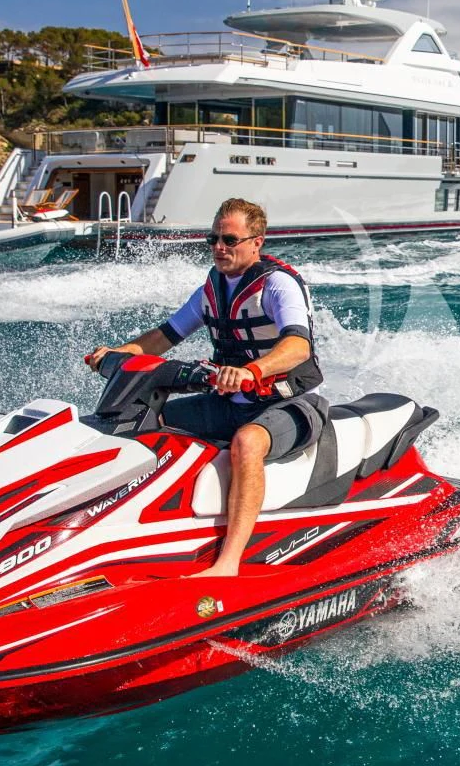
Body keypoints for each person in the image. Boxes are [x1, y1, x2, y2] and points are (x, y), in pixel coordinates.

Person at [85, 198, 322, 577]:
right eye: (212, 239)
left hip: (287, 404)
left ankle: (228, 563)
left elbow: (298, 346)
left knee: (247, 442)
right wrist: (119, 353)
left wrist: (253, 371)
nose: (218, 248)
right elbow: (164, 336)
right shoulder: (212, 287)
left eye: (229, 239)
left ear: (257, 241)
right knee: (139, 422)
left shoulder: (278, 285)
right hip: (227, 401)